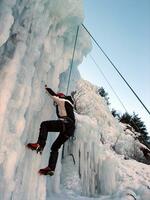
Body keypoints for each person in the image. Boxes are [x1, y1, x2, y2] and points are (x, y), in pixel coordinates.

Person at [26, 85, 75, 176]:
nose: (55, 103)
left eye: (55, 102)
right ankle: (51, 168)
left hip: (66, 124)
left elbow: (54, 96)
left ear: (61, 97)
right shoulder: (68, 105)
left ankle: (40, 144)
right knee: (55, 148)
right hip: (69, 130)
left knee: (45, 125)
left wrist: (46, 88)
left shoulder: (63, 100)